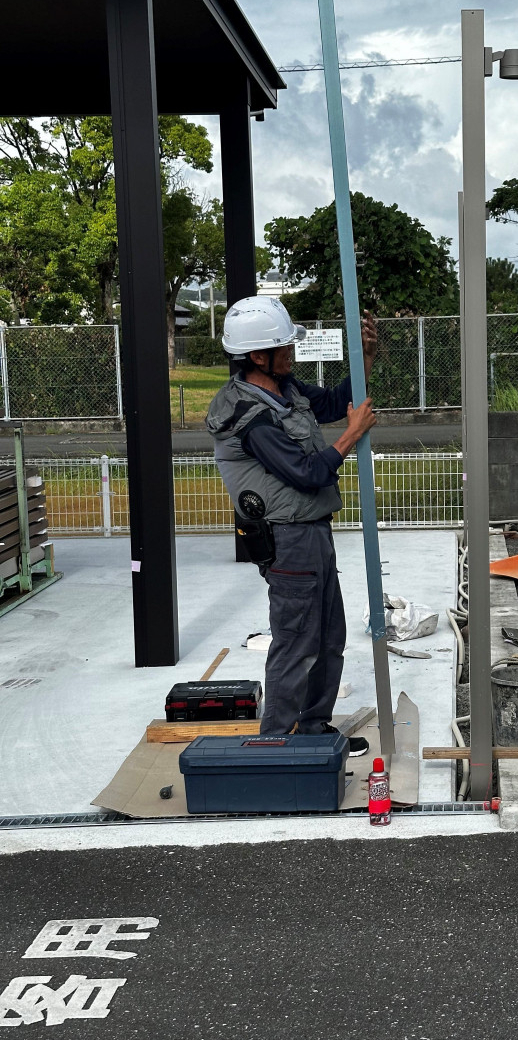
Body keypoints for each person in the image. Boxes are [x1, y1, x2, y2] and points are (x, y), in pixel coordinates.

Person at [206, 295, 378, 754]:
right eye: (284, 347)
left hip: (312, 532)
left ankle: (314, 729)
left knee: (328, 638)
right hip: (287, 539)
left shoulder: (283, 391)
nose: (292, 352)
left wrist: (365, 359)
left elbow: (331, 402)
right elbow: (307, 474)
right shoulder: (250, 416)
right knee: (296, 643)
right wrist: (352, 434)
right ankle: (276, 743)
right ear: (257, 356)